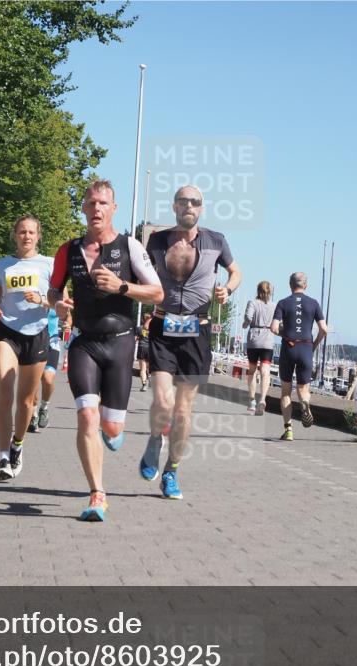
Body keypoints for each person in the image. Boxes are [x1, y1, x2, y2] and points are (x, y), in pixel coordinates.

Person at [48, 180, 163, 522]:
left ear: (113, 209)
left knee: (111, 428)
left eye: (103, 203)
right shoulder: (68, 250)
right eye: (91, 202)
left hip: (121, 341)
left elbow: (157, 294)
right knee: (86, 415)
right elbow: (53, 290)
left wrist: (122, 286)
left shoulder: (129, 246)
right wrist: (59, 304)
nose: (96, 208)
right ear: (83, 208)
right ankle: (97, 493)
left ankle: (111, 431)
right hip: (84, 341)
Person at [138, 185, 242, 500]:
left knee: (183, 411)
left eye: (195, 202)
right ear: (174, 206)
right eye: (183, 200)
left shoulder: (216, 241)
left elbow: (236, 271)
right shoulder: (156, 240)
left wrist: (228, 288)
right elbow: (138, 271)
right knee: (163, 402)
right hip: (162, 325)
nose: (189, 205)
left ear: (202, 208)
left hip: (198, 330)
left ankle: (171, 471)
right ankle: (156, 439)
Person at [0, 216, 54, 480]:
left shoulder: (49, 264)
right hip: (7, 333)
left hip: (35, 335)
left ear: (38, 236)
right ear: (14, 235)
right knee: (5, 388)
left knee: (26, 401)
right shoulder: (3, 264)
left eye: (31, 232)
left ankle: (17, 444)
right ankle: (3, 458)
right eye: (22, 232)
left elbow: (62, 301)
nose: (26, 236)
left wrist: (42, 300)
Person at [271, 272, 327, 441]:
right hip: (306, 348)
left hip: (289, 347)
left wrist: (286, 332)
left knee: (286, 391)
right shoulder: (314, 303)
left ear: (290, 285)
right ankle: (305, 403)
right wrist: (314, 344)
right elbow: (324, 329)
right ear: (306, 285)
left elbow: (273, 328)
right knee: (303, 389)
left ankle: (288, 430)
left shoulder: (283, 303)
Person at [28, 306, 70, 432]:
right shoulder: (33, 294)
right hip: (33, 343)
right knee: (34, 382)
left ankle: (44, 408)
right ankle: (33, 415)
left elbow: (68, 314)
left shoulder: (56, 295)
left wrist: (68, 323)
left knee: (48, 379)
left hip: (52, 343)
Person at [243, 281, 275, 415]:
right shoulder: (274, 306)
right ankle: (262, 399)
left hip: (254, 340)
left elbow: (248, 318)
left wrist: (245, 324)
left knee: (252, 370)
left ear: (258, 290)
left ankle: (251, 401)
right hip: (268, 340)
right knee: (265, 371)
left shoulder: (252, 302)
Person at [136, 311, 152, 391]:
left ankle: (144, 384)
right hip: (150, 349)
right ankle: (150, 378)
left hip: (142, 348)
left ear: (143, 319)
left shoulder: (139, 328)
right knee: (149, 366)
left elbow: (135, 339)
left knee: (143, 368)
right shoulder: (153, 329)